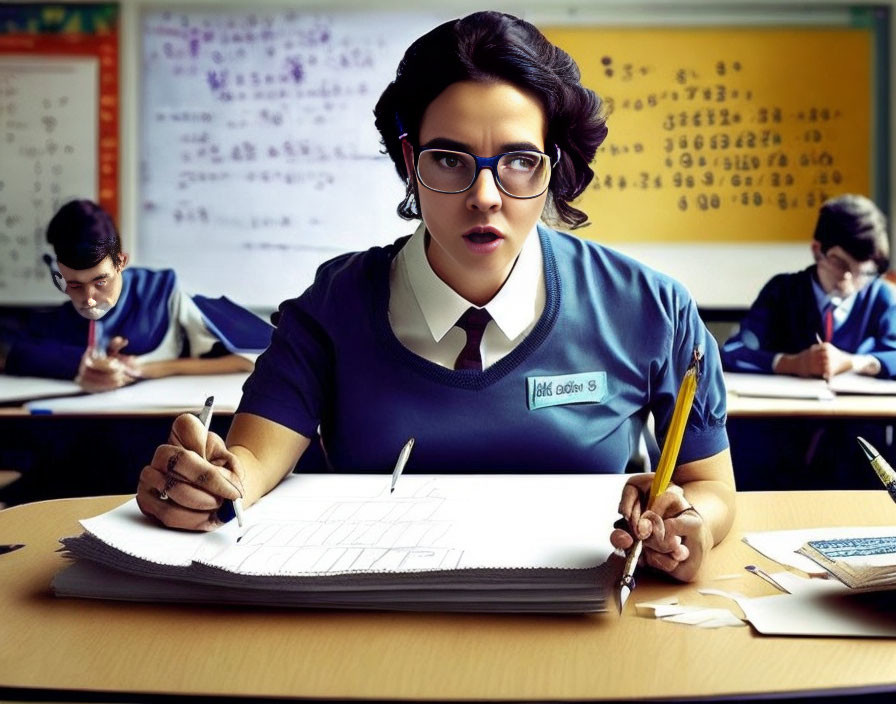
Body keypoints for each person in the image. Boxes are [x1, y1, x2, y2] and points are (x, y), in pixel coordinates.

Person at [136, 11, 735, 583]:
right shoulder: (334, 307)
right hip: (374, 617)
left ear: (552, 166)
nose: (485, 196)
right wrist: (200, 485)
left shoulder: (649, 308)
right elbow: (246, 467)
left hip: (579, 621)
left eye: (520, 161)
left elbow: (710, 488)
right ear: (407, 160)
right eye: (448, 159)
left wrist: (689, 527)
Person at [0, 199, 272, 392]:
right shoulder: (59, 318)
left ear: (121, 261)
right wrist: (76, 364)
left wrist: (147, 369)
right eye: (75, 285)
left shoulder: (161, 294)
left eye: (100, 281)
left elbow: (252, 355)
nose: (90, 299)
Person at [721, 194, 895, 380]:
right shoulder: (781, 291)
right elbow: (733, 351)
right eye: (840, 263)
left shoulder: (879, 295)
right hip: (787, 407)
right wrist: (793, 363)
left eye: (863, 271)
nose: (849, 279)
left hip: (860, 408)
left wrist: (853, 362)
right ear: (817, 250)